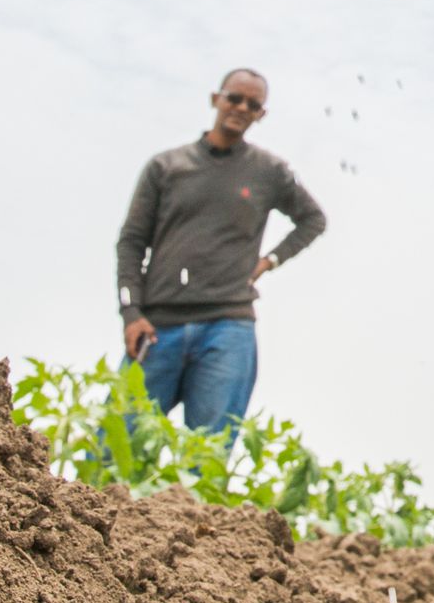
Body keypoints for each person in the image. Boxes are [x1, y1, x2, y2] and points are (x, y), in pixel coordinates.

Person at [116, 68, 325, 442]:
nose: (241, 107)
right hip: (157, 326)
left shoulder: (269, 171)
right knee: (115, 450)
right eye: (234, 98)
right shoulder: (166, 167)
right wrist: (131, 313)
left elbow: (313, 220)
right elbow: (131, 242)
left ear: (261, 114)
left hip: (228, 327)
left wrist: (270, 260)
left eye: (253, 104)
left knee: (208, 455)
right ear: (216, 99)